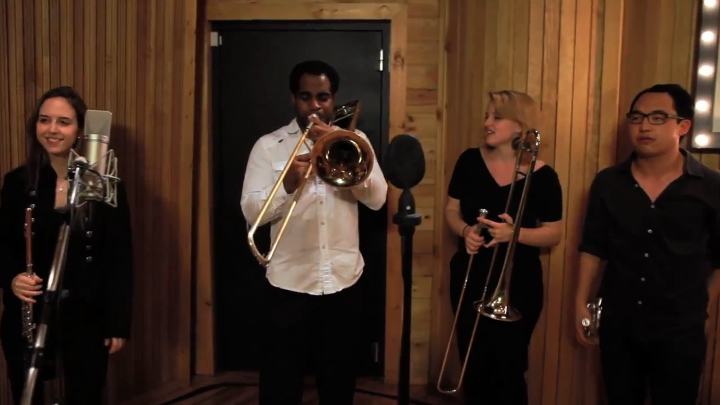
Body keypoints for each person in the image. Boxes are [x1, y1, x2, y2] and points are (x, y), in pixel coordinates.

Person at [240, 60, 388, 405]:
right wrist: (287, 185)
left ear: (333, 98)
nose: (315, 105)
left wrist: (343, 155)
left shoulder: (356, 141)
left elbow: (378, 200)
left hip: (343, 281)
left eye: (323, 97)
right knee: (280, 386)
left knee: (338, 386)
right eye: (306, 97)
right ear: (294, 98)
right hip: (288, 282)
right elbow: (251, 212)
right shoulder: (269, 146)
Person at [575, 83, 720, 404]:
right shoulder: (608, 182)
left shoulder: (711, 186)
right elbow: (593, 247)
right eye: (636, 117)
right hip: (619, 322)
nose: (643, 126)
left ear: (683, 126)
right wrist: (580, 303)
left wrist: (704, 307)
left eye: (657, 117)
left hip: (681, 327)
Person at [0, 86, 134, 404]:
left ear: (80, 131)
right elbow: (3, 244)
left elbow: (119, 257)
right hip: (29, 312)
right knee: (27, 394)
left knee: (84, 395)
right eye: (44, 120)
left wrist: (117, 323)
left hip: (86, 314)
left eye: (64, 122)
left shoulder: (104, 185)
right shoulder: (17, 182)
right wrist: (12, 278)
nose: (52, 129)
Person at [444, 90, 563, 405]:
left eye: (497, 117)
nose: (487, 122)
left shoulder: (544, 176)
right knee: (473, 365)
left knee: (509, 369)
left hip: (519, 282)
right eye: (487, 116)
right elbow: (451, 210)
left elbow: (554, 233)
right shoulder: (469, 161)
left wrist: (515, 234)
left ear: (519, 125)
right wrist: (466, 231)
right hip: (471, 274)